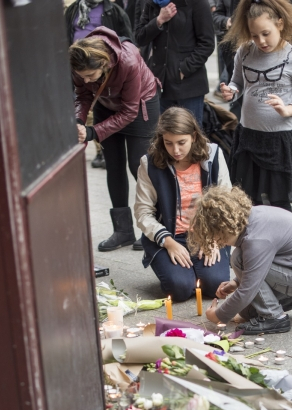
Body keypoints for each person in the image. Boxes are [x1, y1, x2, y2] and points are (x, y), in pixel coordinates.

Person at [220, 0, 292, 219]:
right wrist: (231, 91)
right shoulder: (244, 51)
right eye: (254, 35)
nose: (261, 41)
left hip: (279, 141)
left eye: (266, 33)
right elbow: (238, 82)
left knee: (279, 206)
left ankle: (282, 249)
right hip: (247, 138)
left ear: (280, 24)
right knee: (248, 204)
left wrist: (289, 109)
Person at [188, 186, 292, 335]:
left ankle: (275, 317)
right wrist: (236, 282)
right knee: (248, 313)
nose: (218, 243)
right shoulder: (250, 217)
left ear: (222, 230)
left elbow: (248, 288)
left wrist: (218, 316)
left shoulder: (256, 240)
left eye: (215, 238)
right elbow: (261, 261)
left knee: (239, 259)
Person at [69, 27, 161, 251]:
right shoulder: (79, 64)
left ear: (104, 64)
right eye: (83, 76)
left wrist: (93, 132)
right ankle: (123, 231)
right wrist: (79, 122)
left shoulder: (128, 59)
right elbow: (82, 96)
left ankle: (153, 228)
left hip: (140, 106)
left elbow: (129, 112)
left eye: (90, 76)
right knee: (114, 165)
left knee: (139, 167)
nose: (86, 79)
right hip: (106, 104)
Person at [134, 107, 232, 302]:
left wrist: (213, 237)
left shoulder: (213, 154)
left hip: (207, 233)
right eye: (168, 143)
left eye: (181, 142)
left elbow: (227, 201)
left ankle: (195, 272)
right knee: (179, 290)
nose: (176, 150)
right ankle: (181, 273)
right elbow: (143, 212)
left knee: (216, 286)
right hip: (170, 236)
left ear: (194, 136)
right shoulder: (149, 163)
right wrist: (168, 242)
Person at [65, 0, 134, 169]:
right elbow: (64, 36)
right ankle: (96, 149)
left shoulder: (114, 11)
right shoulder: (73, 10)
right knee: (84, 110)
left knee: (97, 111)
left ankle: (100, 148)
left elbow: (128, 40)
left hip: (105, 72)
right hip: (78, 68)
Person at [135, 0, 215, 126]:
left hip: (189, 86)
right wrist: (159, 20)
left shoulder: (198, 3)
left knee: (189, 134)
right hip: (159, 83)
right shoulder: (151, 2)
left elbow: (207, 44)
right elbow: (140, 37)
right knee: (161, 136)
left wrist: (183, 69)